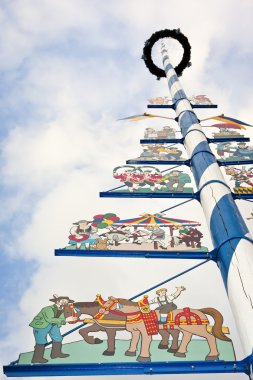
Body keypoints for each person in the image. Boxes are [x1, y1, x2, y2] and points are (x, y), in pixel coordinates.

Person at [29, 295, 77, 363]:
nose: (65, 302)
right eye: (63, 301)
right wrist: (66, 320)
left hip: (54, 325)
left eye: (66, 301)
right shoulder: (47, 309)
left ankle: (56, 354)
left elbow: (60, 319)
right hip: (41, 325)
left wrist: (64, 322)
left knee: (58, 338)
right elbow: (50, 319)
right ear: (57, 301)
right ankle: (37, 358)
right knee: (41, 341)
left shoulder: (62, 310)